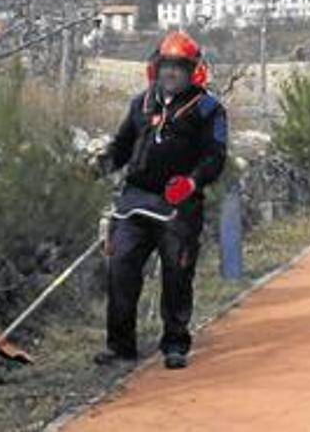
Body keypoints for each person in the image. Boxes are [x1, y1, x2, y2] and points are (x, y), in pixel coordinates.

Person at [91, 31, 228, 370]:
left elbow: (216, 157)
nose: (171, 73)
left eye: (179, 67)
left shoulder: (209, 109)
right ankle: (121, 346)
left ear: (193, 71)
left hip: (179, 206)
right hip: (135, 201)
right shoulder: (141, 104)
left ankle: (175, 343)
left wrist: (192, 181)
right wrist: (101, 165)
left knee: (176, 272)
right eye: (166, 66)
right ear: (156, 67)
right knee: (120, 267)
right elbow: (122, 146)